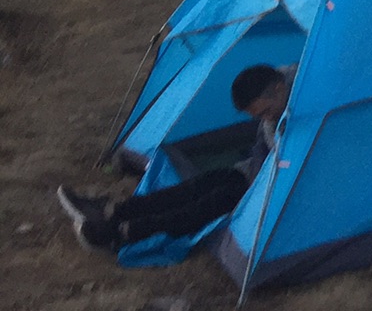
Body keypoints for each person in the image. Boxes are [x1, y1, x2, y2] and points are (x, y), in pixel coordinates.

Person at [57, 65, 292, 254]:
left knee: (212, 202)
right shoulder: (281, 90)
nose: (264, 119)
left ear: (279, 89)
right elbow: (264, 141)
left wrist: (259, 182)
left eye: (264, 112)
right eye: (258, 115)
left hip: (279, 187)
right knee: (202, 184)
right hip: (257, 173)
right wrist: (255, 171)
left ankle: (121, 232)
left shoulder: (309, 103)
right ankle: (113, 210)